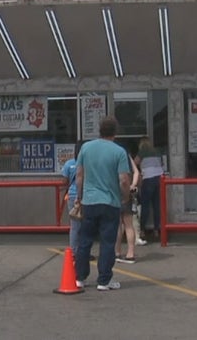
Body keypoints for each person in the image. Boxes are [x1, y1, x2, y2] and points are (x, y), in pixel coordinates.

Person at [74, 116, 131, 291]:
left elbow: (79, 176)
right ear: (115, 132)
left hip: (89, 201)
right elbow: (123, 179)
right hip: (110, 202)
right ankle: (104, 280)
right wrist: (126, 196)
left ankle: (80, 278)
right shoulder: (119, 152)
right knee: (107, 242)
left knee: (84, 241)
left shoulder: (86, 147)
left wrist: (80, 197)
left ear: (99, 130)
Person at [116, 150, 143, 264]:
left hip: (115, 193)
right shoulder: (126, 156)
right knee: (129, 225)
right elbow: (136, 172)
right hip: (128, 193)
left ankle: (116, 252)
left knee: (117, 225)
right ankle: (130, 253)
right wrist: (133, 185)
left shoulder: (113, 155)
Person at [61, 141, 86, 254]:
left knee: (75, 226)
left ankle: (74, 251)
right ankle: (83, 251)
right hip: (86, 196)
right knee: (85, 226)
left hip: (71, 196)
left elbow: (64, 181)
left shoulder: (68, 164)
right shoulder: (87, 164)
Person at [137, 137, 163, 241]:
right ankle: (156, 229)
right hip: (159, 179)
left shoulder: (143, 151)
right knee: (157, 206)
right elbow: (161, 164)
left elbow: (135, 162)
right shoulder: (157, 151)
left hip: (148, 179)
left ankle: (142, 229)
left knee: (145, 205)